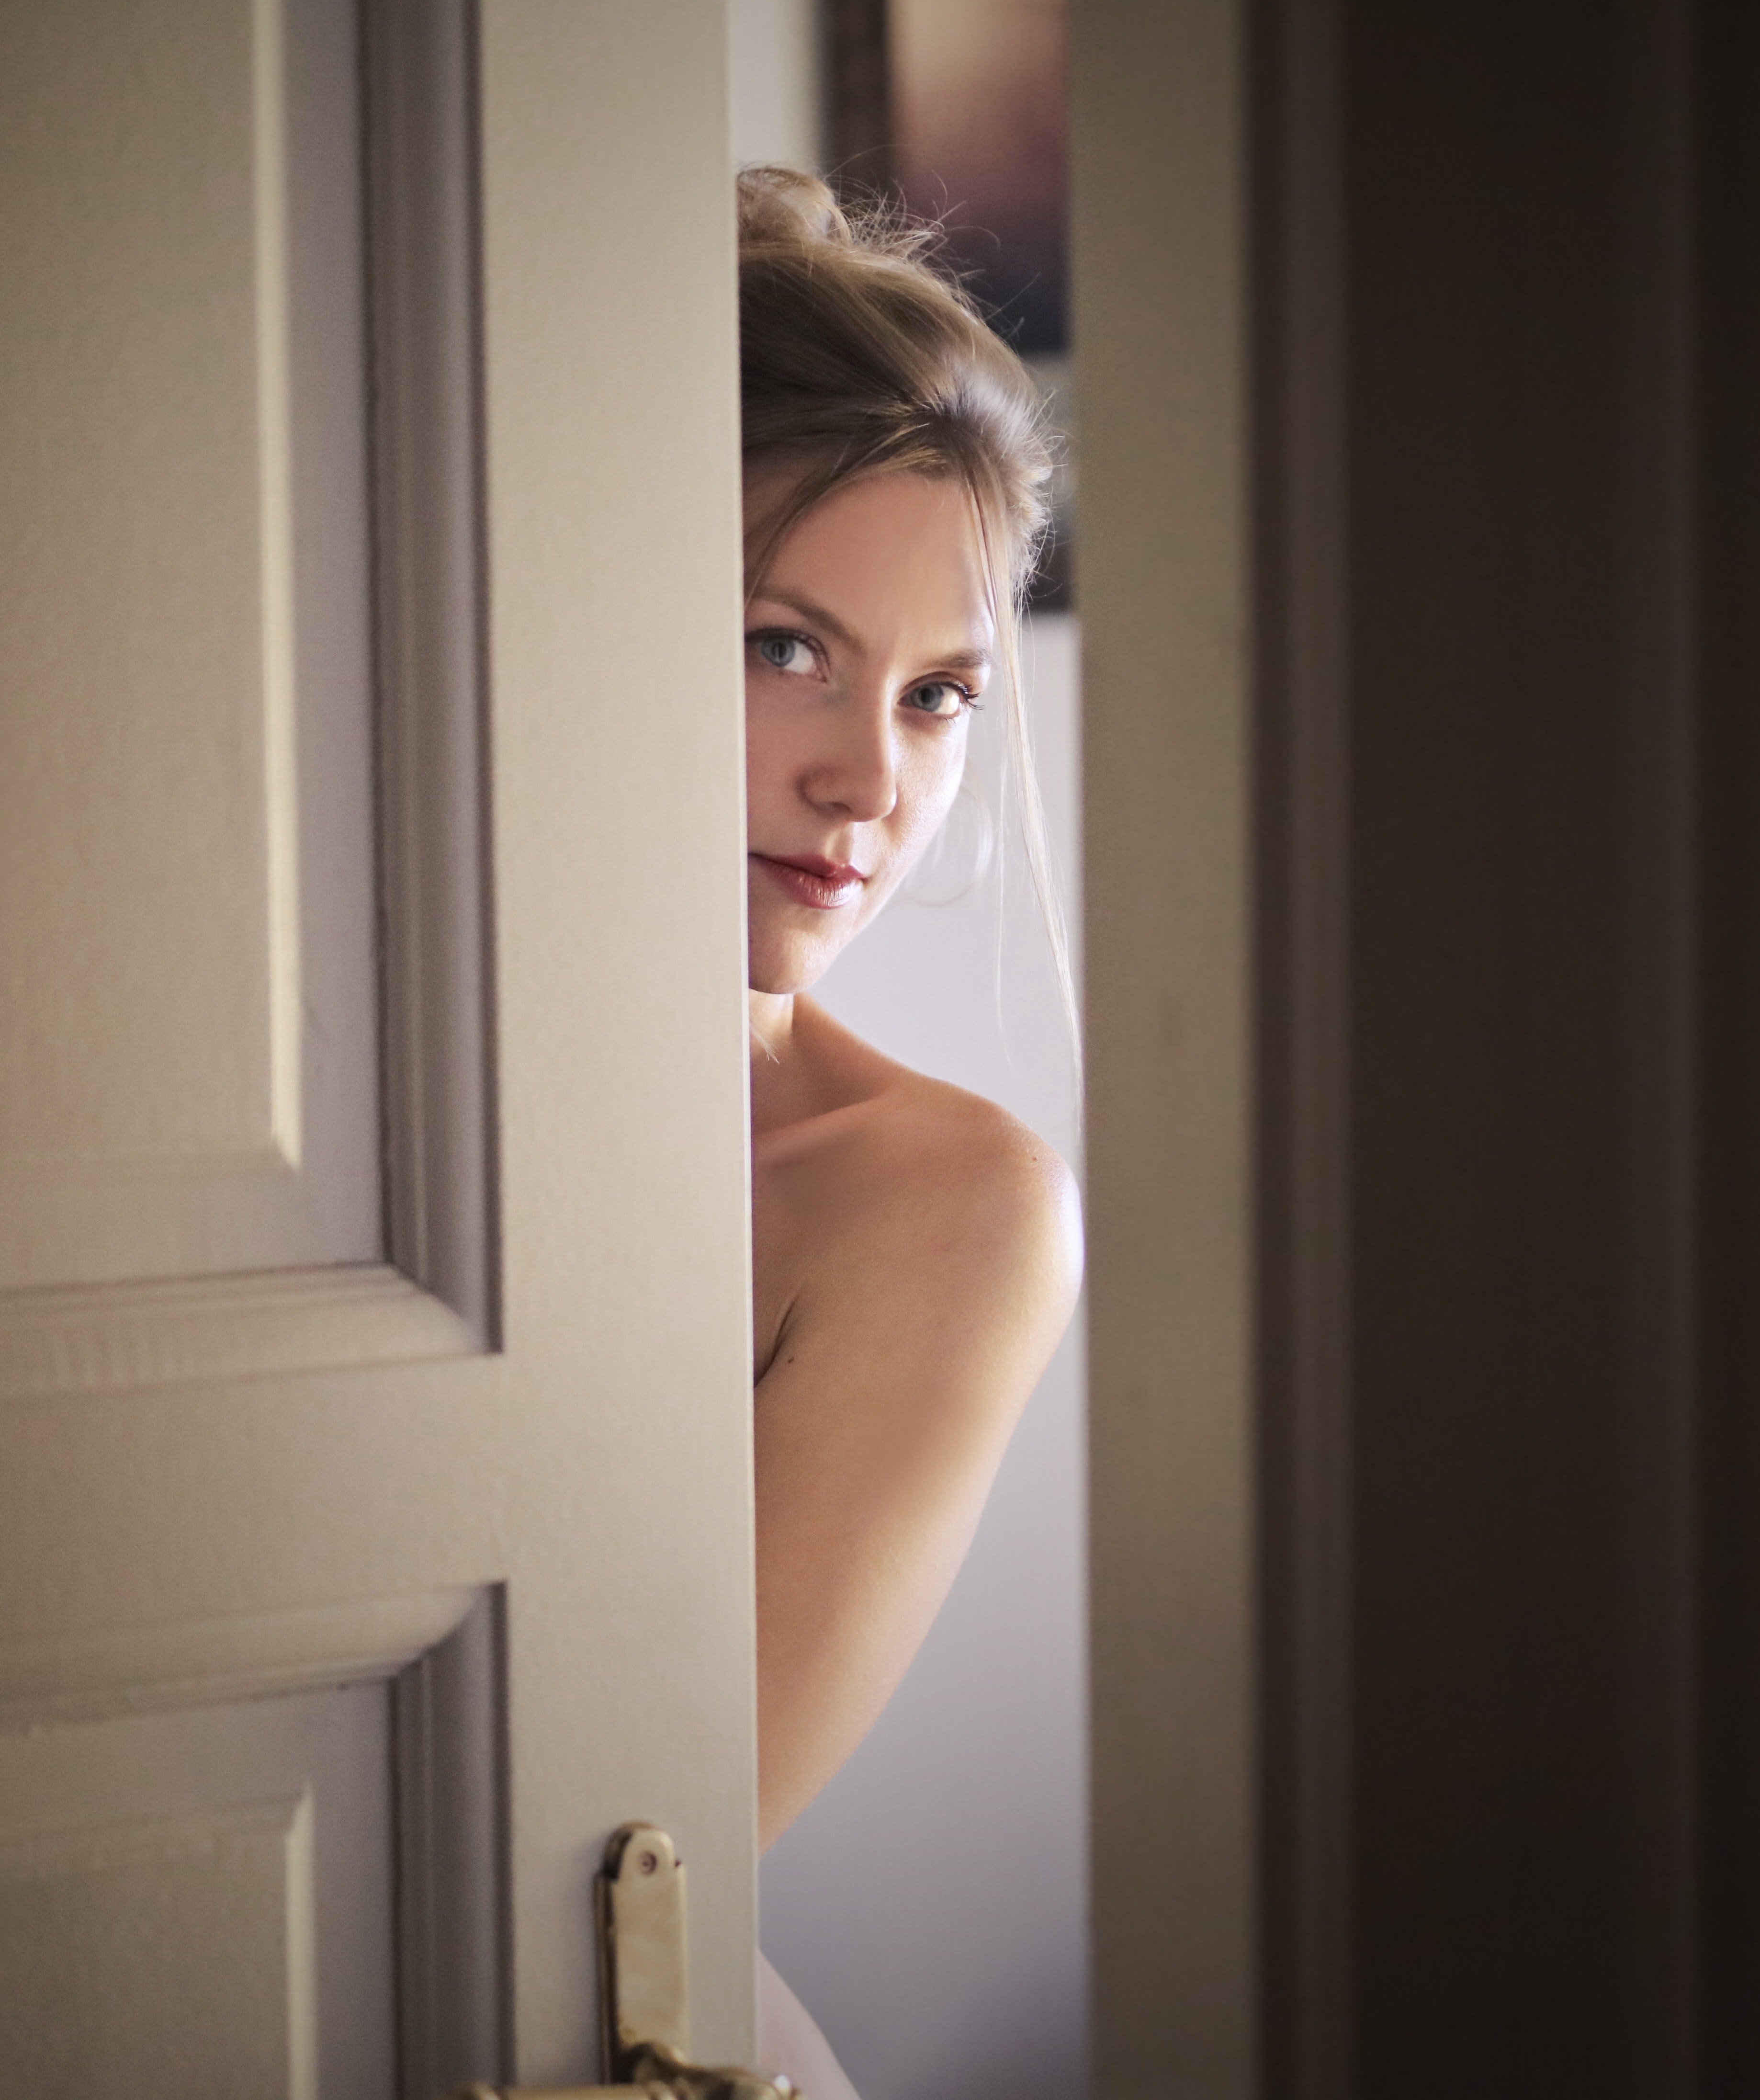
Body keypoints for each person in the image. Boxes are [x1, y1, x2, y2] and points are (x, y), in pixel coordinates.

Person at [733, 167, 1083, 2092]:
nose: (869, 778)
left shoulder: (942, 1206)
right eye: (786, 644)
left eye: (938, 694)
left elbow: (635, 1858)